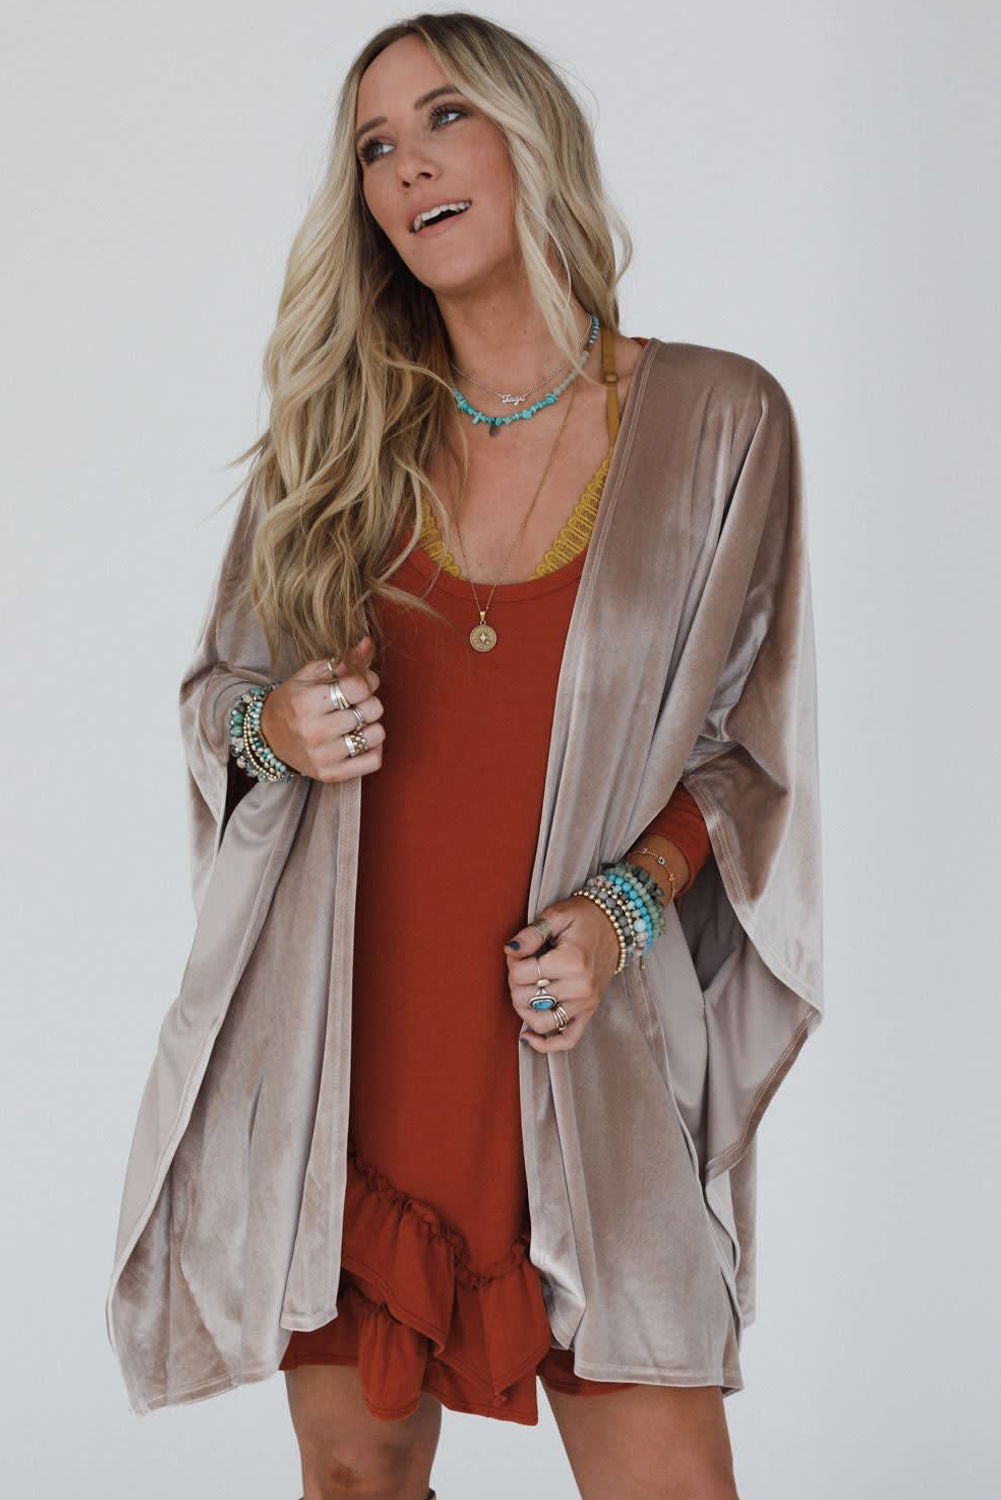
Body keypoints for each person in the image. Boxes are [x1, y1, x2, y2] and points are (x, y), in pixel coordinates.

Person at [106, 13, 824, 1500]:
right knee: (356, 1480)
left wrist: (622, 913)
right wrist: (272, 726)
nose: (409, 167)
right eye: (375, 147)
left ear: (528, 133)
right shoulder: (336, 442)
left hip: (581, 1058)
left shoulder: (718, 419)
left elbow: (743, 757)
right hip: (354, 1065)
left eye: (444, 119)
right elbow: (216, 701)